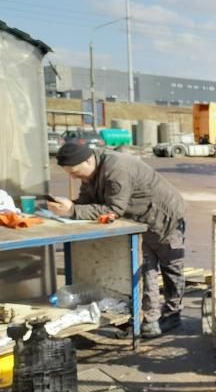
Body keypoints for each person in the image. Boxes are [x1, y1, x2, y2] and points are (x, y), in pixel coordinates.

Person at [49, 142, 186, 338]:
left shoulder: (116, 169)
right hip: (140, 221)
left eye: (76, 173)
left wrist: (73, 210)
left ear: (88, 161)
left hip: (165, 218)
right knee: (145, 269)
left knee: (171, 267)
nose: (74, 177)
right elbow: (88, 200)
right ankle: (150, 319)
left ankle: (173, 314)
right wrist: (69, 205)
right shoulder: (91, 171)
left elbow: (114, 209)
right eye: (70, 174)